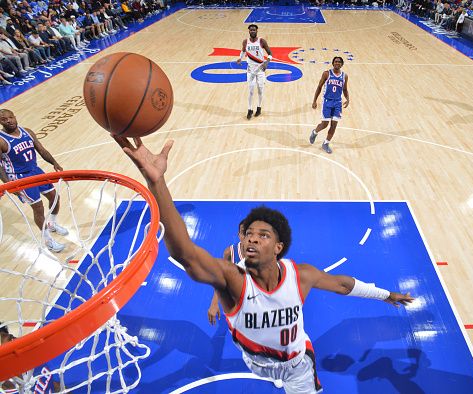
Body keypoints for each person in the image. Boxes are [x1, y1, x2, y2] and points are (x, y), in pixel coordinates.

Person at [113, 137, 414, 393]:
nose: (251, 240)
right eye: (248, 234)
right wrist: (157, 182)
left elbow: (343, 284)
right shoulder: (233, 279)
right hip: (255, 361)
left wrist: (386, 295)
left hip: (298, 365)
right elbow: (186, 253)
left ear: (279, 247)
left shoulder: (301, 275)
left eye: (263, 235)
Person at [0, 109, 68, 252]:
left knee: (54, 197)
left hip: (35, 171)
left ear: (15, 116)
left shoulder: (27, 132)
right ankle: (48, 240)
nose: (9, 121)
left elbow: (42, 150)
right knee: (38, 208)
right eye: (4, 119)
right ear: (1, 122)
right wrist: (9, 185)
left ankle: (52, 223)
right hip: (19, 177)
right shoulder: (1, 140)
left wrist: (55, 163)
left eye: (10, 117)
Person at [207, 219, 247, 326]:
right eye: (244, 233)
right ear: (239, 235)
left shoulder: (263, 253)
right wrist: (214, 303)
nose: (247, 237)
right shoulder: (230, 253)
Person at [309, 57, 350, 154]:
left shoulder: (345, 76)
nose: (337, 63)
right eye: (336, 62)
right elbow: (319, 87)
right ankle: (315, 132)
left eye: (339, 62)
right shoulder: (326, 74)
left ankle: (326, 143)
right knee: (324, 124)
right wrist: (314, 100)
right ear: (332, 63)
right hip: (327, 102)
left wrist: (348, 99)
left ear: (342, 64)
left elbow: (344, 89)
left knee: (334, 125)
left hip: (337, 103)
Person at [236, 24, 272, 120]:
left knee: (260, 90)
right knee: (250, 91)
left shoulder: (261, 41)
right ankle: (249, 109)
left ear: (257, 31)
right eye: (251, 30)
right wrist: (240, 58)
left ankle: (259, 108)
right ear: (249, 31)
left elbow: (270, 53)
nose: (253, 31)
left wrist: (267, 62)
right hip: (250, 70)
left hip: (260, 69)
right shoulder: (245, 42)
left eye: (254, 30)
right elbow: (243, 51)